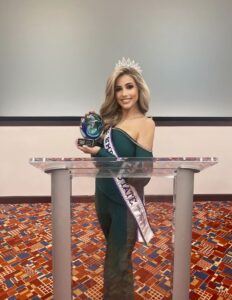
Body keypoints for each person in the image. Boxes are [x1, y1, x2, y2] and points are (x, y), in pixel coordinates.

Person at [78, 58, 155, 300]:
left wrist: (100, 151)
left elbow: (141, 175)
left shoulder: (146, 124)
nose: (124, 93)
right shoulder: (109, 123)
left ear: (139, 89)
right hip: (102, 198)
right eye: (119, 88)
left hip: (125, 205)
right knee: (114, 258)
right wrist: (92, 141)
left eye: (129, 86)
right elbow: (103, 163)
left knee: (117, 263)